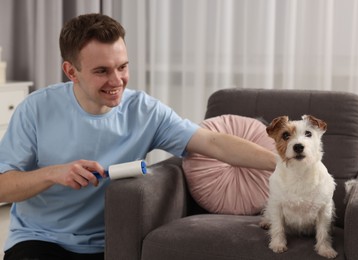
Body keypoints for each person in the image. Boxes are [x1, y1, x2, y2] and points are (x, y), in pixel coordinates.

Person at [0, 13, 276, 260]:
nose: (117, 80)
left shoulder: (145, 111)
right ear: (71, 71)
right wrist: (53, 174)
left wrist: (286, 161)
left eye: (122, 66)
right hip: (40, 240)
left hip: (112, 241)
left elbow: (212, 142)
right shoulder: (36, 109)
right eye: (102, 71)